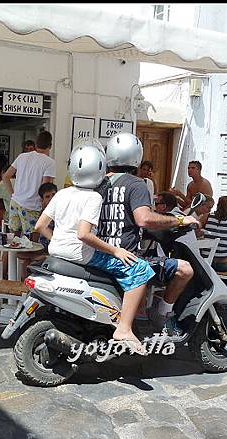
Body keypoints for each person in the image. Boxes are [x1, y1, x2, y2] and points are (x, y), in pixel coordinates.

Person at [35, 143, 153, 353]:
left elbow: (40, 226)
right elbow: (84, 234)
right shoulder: (93, 197)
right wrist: (116, 250)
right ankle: (124, 328)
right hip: (82, 255)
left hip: (56, 252)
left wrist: (57, 241)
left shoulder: (62, 193)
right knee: (140, 269)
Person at [97, 133, 200, 338]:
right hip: (126, 257)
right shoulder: (137, 184)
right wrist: (179, 220)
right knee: (185, 269)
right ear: (136, 156)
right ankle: (162, 315)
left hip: (100, 254)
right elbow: (144, 219)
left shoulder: (98, 183)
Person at [2, 131, 56, 242]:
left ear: (36, 144)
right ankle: (27, 260)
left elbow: (6, 176)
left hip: (15, 203)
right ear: (50, 145)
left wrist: (13, 194)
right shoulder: (49, 162)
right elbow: (45, 188)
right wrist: (45, 209)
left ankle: (4, 260)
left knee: (12, 240)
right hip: (32, 206)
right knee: (32, 243)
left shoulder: (22, 157)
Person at [18, 182, 58, 278]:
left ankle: (26, 287)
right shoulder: (43, 213)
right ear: (42, 200)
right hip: (42, 248)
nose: (52, 198)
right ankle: (24, 287)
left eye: (54, 195)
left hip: (53, 250)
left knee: (29, 262)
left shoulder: (61, 213)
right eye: (47, 197)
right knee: (20, 255)